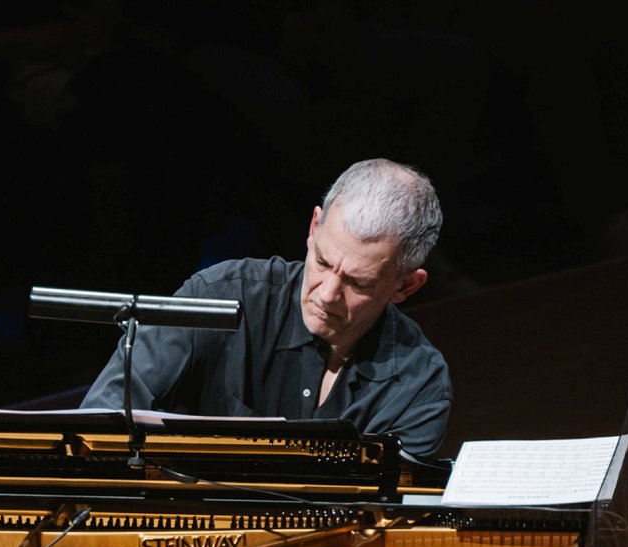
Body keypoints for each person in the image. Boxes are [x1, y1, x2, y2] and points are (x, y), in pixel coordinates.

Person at [81, 158, 451, 461]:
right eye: (322, 262)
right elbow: (99, 426)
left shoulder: (418, 385)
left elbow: (388, 520)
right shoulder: (219, 295)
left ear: (406, 286)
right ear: (313, 227)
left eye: (358, 283)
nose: (327, 294)